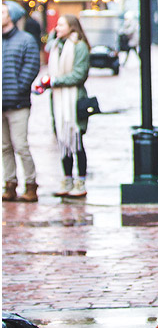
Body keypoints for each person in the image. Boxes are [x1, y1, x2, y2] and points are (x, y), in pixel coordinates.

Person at [46, 14, 92, 199]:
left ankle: (80, 181)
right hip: (58, 101)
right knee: (62, 140)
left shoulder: (79, 46)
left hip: (74, 100)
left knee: (76, 139)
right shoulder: (57, 45)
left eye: (61, 25)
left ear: (72, 27)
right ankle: (67, 178)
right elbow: (48, 46)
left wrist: (55, 81)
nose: (57, 27)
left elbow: (79, 74)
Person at [2, 1, 42, 202]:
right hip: (1, 104)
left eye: (3, 12)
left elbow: (32, 66)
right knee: (4, 147)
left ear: (12, 16)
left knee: (21, 144)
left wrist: (19, 88)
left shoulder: (26, 40)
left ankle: (31, 184)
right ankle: (9, 184)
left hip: (18, 103)